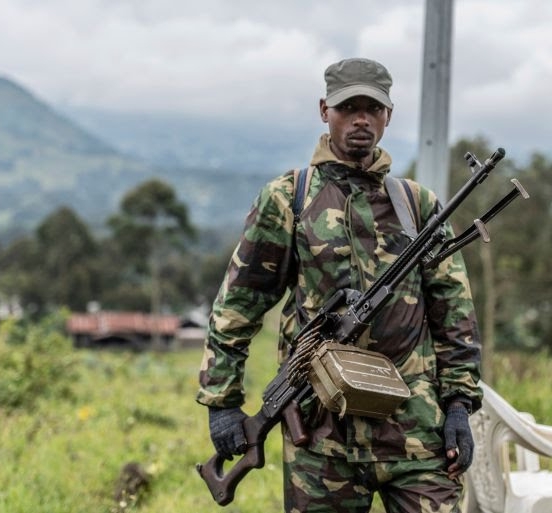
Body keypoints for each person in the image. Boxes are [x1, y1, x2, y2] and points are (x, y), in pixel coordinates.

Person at [197, 57, 483, 513]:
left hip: (415, 432)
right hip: (321, 436)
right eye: (349, 107)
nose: (361, 120)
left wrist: (458, 406)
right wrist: (222, 401)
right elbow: (239, 302)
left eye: (374, 108)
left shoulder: (419, 205)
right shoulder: (289, 197)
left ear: (389, 116)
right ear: (324, 110)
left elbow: (455, 315)